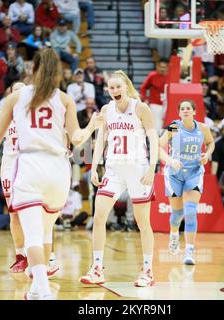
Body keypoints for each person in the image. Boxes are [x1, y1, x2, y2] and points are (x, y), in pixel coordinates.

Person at [0, 48, 101, 300]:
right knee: (45, 232)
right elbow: (77, 140)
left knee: (32, 234)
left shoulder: (16, 97)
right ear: (57, 72)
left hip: (31, 165)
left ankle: (43, 289)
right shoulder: (65, 99)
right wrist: (92, 126)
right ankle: (35, 289)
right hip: (58, 170)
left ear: (32, 69)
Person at [79, 70, 158, 287]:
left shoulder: (140, 108)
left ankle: (148, 269)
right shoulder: (106, 110)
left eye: (118, 87)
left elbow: (154, 140)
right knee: (99, 216)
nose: (114, 90)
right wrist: (95, 167)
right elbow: (101, 141)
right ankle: (97, 268)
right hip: (113, 169)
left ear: (126, 87)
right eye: (111, 87)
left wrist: (152, 167)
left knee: (143, 223)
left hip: (138, 169)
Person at [0, 82, 58, 276]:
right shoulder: (5, 115)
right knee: (14, 214)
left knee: (43, 214)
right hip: (9, 166)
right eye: (15, 91)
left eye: (22, 91)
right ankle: (21, 256)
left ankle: (49, 256)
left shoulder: (36, 115)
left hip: (32, 164)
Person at [159, 100, 215, 265]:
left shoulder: (203, 128)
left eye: (188, 108)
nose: (185, 110)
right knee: (177, 215)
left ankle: (189, 251)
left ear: (194, 111)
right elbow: (159, 145)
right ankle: (174, 234)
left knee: (190, 211)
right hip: (175, 174)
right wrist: (169, 160)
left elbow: (210, 143)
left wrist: (207, 155)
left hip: (194, 172)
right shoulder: (174, 127)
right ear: (179, 112)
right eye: (182, 108)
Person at [140, 58, 169, 134]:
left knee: (167, 124)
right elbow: (143, 88)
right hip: (155, 104)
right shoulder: (152, 76)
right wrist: (145, 99)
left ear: (167, 67)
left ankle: (163, 143)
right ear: (157, 66)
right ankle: (155, 142)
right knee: (157, 125)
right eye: (161, 67)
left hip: (167, 104)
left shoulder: (170, 76)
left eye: (164, 67)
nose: (162, 69)